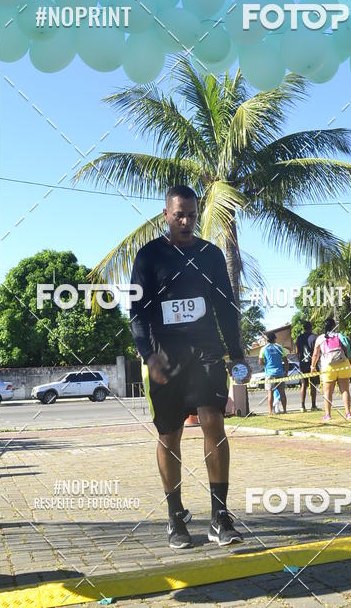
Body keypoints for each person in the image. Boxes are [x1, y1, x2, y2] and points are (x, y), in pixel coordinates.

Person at [131, 185, 250, 549]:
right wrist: (148, 355)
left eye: (192, 215)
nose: (186, 221)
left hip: (206, 352)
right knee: (169, 436)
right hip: (164, 356)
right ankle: (175, 517)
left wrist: (237, 356)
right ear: (166, 215)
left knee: (212, 421)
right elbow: (137, 313)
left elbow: (226, 309)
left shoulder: (211, 255)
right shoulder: (149, 256)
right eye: (179, 214)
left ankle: (219, 517)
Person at [311, 318, 351, 421]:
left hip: (328, 367)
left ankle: (328, 414)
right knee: (345, 390)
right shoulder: (340, 335)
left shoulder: (320, 338)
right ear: (334, 326)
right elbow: (348, 347)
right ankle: (348, 413)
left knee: (327, 393)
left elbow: (315, 354)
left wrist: (313, 366)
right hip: (343, 364)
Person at [259, 331, 288, 415]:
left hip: (269, 373)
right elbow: (285, 361)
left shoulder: (263, 349)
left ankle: (270, 411)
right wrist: (286, 372)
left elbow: (260, 362)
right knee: (282, 392)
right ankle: (285, 410)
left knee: (270, 393)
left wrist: (267, 364)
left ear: (267, 340)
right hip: (280, 372)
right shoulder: (280, 347)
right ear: (275, 339)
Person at [295, 320, 318, 412]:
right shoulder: (314, 337)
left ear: (303, 328)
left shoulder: (299, 338)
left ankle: (302, 406)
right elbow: (317, 351)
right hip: (313, 364)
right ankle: (313, 405)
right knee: (313, 384)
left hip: (303, 364)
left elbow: (296, 352)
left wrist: (300, 360)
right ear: (311, 327)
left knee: (303, 385)